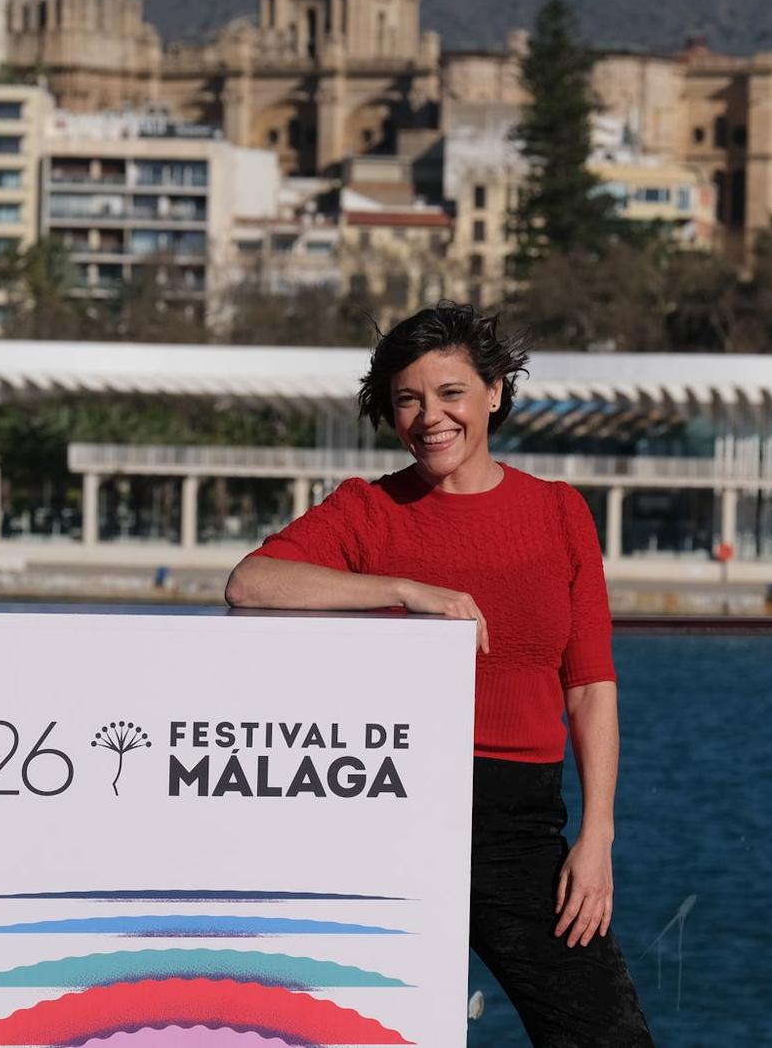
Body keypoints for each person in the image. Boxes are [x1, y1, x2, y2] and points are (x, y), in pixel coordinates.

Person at [224, 303, 654, 1048]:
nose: (430, 417)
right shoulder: (368, 510)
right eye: (408, 400)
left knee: (605, 1035)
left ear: (493, 391)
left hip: (521, 823)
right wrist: (401, 589)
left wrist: (597, 836)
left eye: (450, 393)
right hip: (389, 804)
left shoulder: (559, 513)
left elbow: (589, 687)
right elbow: (250, 583)